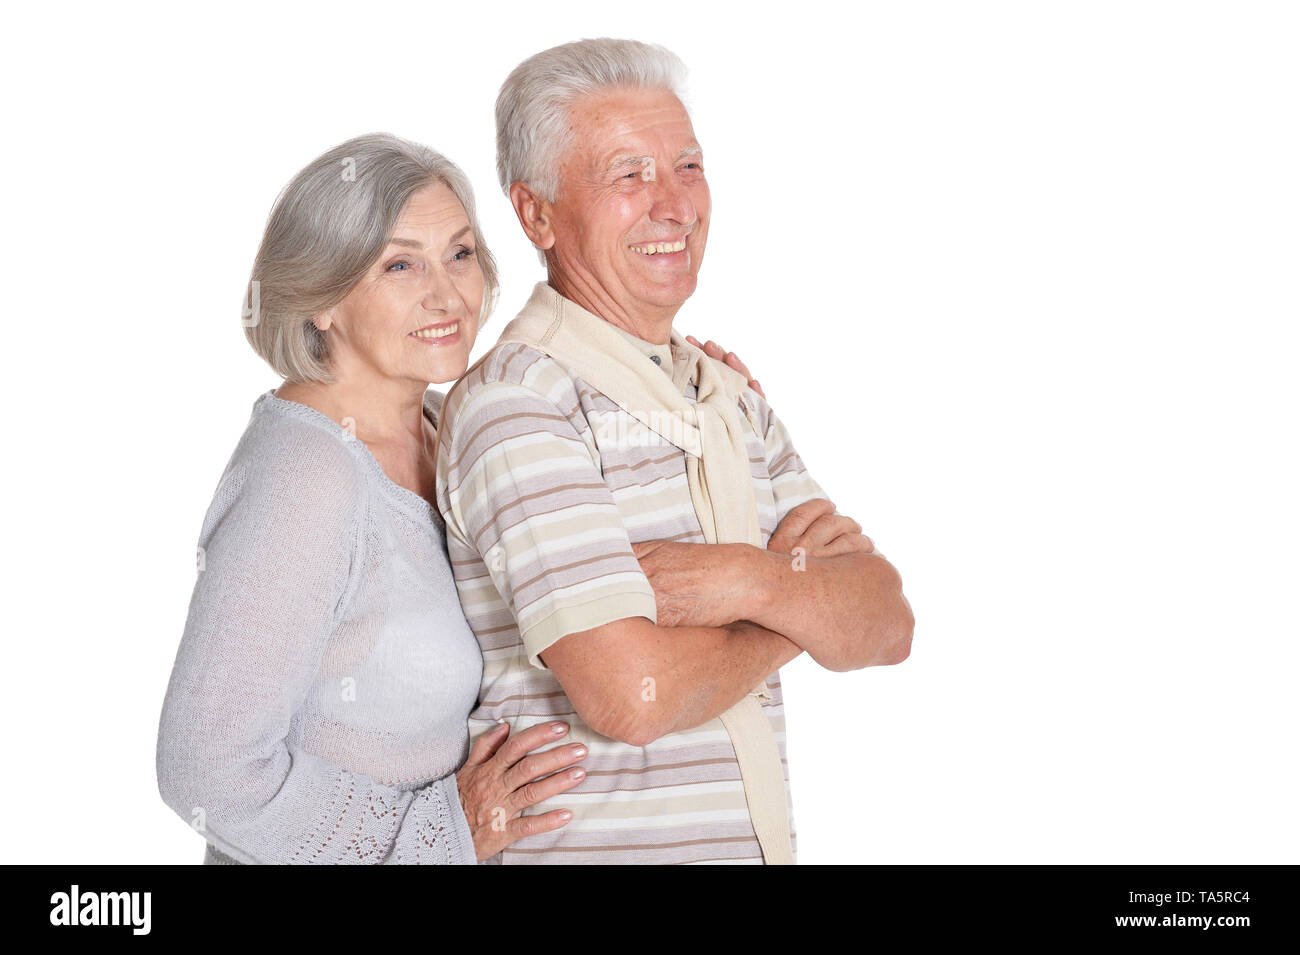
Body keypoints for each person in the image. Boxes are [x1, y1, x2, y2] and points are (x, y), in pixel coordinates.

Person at [436, 38, 915, 864]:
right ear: (536, 214)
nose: (675, 205)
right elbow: (631, 696)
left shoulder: (727, 394)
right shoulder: (520, 403)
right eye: (629, 174)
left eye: (687, 166)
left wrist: (747, 580)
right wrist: (800, 612)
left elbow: (888, 622)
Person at [155, 133, 591, 864]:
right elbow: (206, 771)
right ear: (321, 299)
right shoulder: (308, 473)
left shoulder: (446, 429)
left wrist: (699, 391)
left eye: (458, 253)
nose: (447, 293)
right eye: (399, 264)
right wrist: (444, 832)